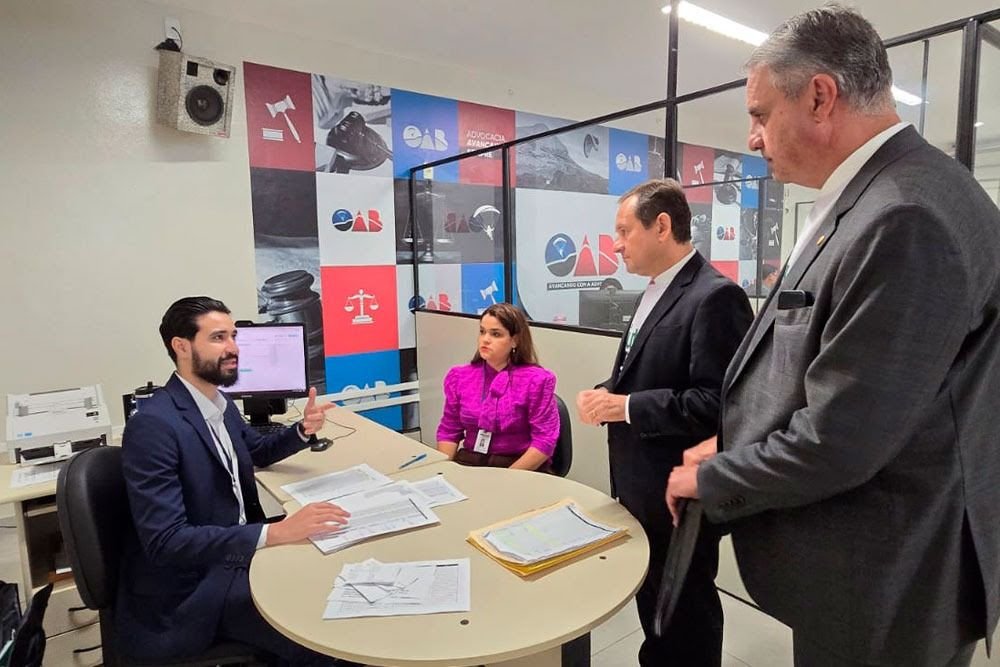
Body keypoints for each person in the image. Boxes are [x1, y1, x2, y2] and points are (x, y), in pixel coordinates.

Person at [666, 6, 1000, 666]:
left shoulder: (906, 216)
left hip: (887, 579)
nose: (752, 138)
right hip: (874, 564)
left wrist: (716, 476)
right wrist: (731, 441)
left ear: (820, 97)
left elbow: (842, 439)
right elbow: (830, 369)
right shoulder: (879, 197)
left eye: (761, 114)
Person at [119, 296, 357, 666]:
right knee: (323, 636)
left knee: (333, 580)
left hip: (237, 555)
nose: (233, 348)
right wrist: (274, 533)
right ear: (181, 346)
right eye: (218, 338)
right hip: (197, 588)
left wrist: (302, 430)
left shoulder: (217, 403)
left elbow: (257, 450)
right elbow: (167, 542)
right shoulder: (153, 426)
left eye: (233, 336)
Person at [576, 178, 753, 666]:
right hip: (640, 485)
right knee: (655, 606)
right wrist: (608, 392)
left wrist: (627, 407)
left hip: (680, 490)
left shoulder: (716, 296)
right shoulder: (654, 290)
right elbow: (645, 373)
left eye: (623, 231)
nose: (615, 245)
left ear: (661, 225)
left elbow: (718, 404)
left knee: (686, 610)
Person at [436, 302, 559, 472]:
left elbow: (545, 440)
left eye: (496, 334)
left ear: (515, 340)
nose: (485, 339)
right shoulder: (460, 377)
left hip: (519, 466)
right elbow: (449, 430)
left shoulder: (537, 381)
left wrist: (507, 479)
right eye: (482, 331)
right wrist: (444, 471)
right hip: (471, 462)